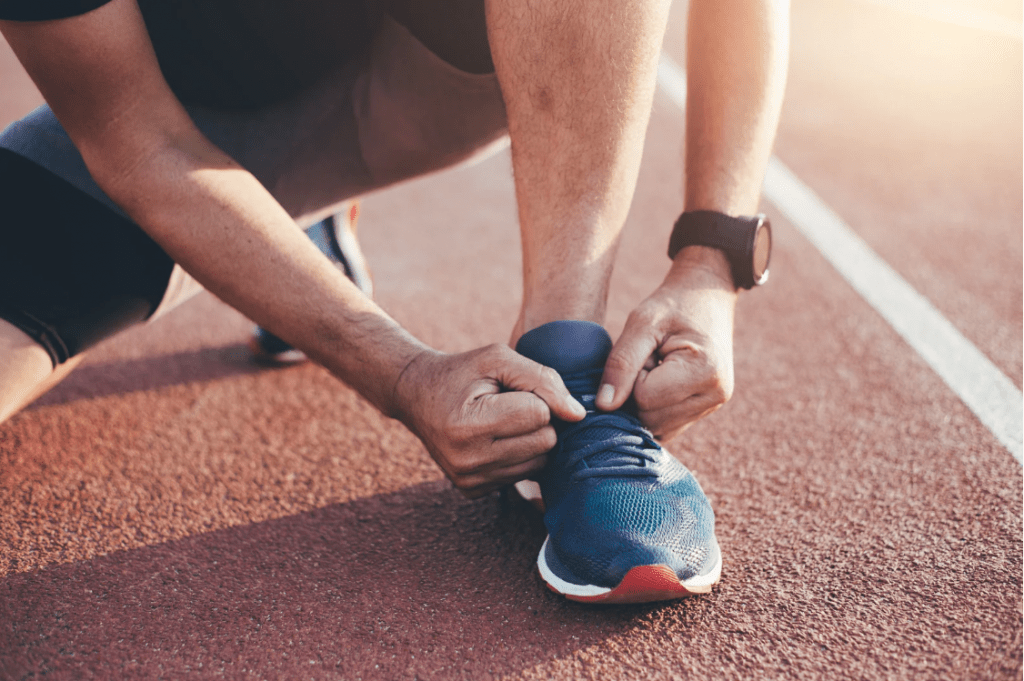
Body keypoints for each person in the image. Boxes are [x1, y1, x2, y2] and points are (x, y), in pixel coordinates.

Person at [0, 0, 789, 602]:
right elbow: (139, 145)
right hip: (179, 126)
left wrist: (711, 261)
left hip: (426, 73)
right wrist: (402, 373)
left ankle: (569, 366)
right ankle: (291, 229)